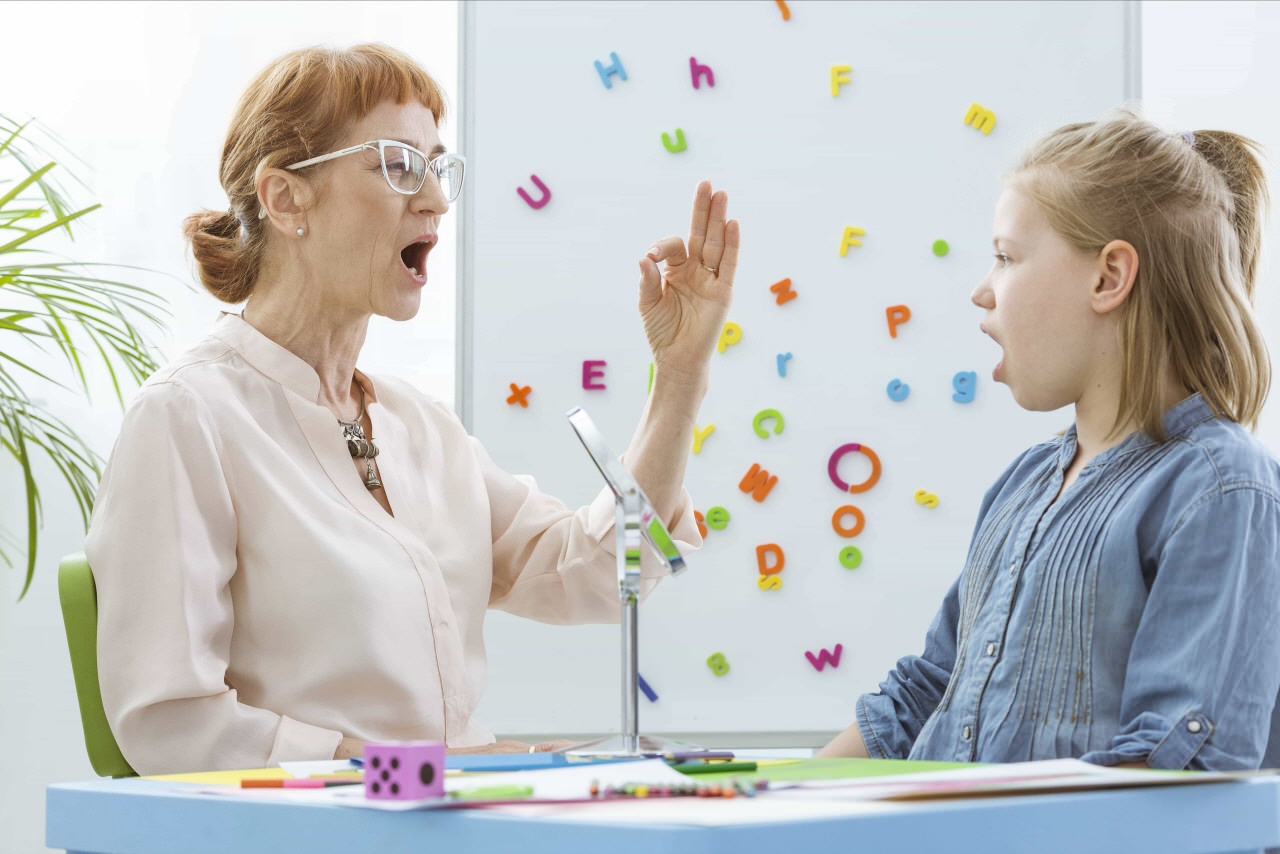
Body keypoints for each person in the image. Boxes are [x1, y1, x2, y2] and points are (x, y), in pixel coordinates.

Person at [84, 43, 739, 775]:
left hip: (450, 816)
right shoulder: (187, 419)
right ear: (285, 197)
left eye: (436, 166)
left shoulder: (420, 426)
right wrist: (419, 773)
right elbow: (167, 721)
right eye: (397, 163)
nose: (433, 198)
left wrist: (679, 377)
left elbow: (598, 569)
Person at [820, 109, 1280, 771]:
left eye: (1006, 257)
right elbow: (925, 698)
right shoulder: (1023, 483)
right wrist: (768, 803)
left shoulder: (1218, 490)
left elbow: (1171, 772)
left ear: (1108, 278)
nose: (982, 290)